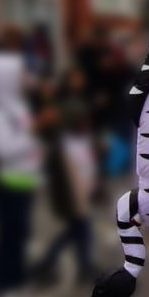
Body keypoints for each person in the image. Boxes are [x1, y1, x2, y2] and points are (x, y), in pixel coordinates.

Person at [0, 27, 48, 297]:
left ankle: (16, 289)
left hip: (24, 179)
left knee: (18, 237)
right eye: (19, 74)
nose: (25, 78)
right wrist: (34, 132)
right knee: (9, 238)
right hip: (9, 182)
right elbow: (3, 149)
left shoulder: (15, 104)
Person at [30, 69, 98, 285]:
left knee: (78, 228)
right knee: (79, 227)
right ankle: (61, 265)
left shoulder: (71, 107)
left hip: (74, 182)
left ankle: (74, 266)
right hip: (70, 185)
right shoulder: (62, 114)